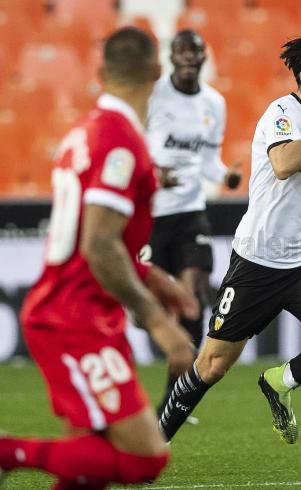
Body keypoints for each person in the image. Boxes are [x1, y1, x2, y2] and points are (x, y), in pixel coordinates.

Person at [0, 27, 196, 488]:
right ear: (156, 71)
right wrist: (158, 322)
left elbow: (104, 240)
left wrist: (151, 277)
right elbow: (99, 245)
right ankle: (8, 451)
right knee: (145, 458)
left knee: (93, 460)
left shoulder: (85, 134)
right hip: (75, 318)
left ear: (100, 73)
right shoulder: (119, 140)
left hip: (78, 312)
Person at [158, 35, 301, 444]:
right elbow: (282, 164)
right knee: (211, 366)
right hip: (257, 261)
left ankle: (279, 383)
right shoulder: (281, 114)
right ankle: (154, 440)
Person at [144, 29, 241, 421]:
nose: (188, 58)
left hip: (190, 211)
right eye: (181, 51)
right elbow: (129, 143)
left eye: (195, 52)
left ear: (203, 57)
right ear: (171, 56)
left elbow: (208, 159)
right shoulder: (152, 96)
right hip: (149, 214)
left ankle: (174, 400)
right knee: (147, 310)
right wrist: (151, 173)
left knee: (194, 297)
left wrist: (225, 176)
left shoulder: (214, 103)